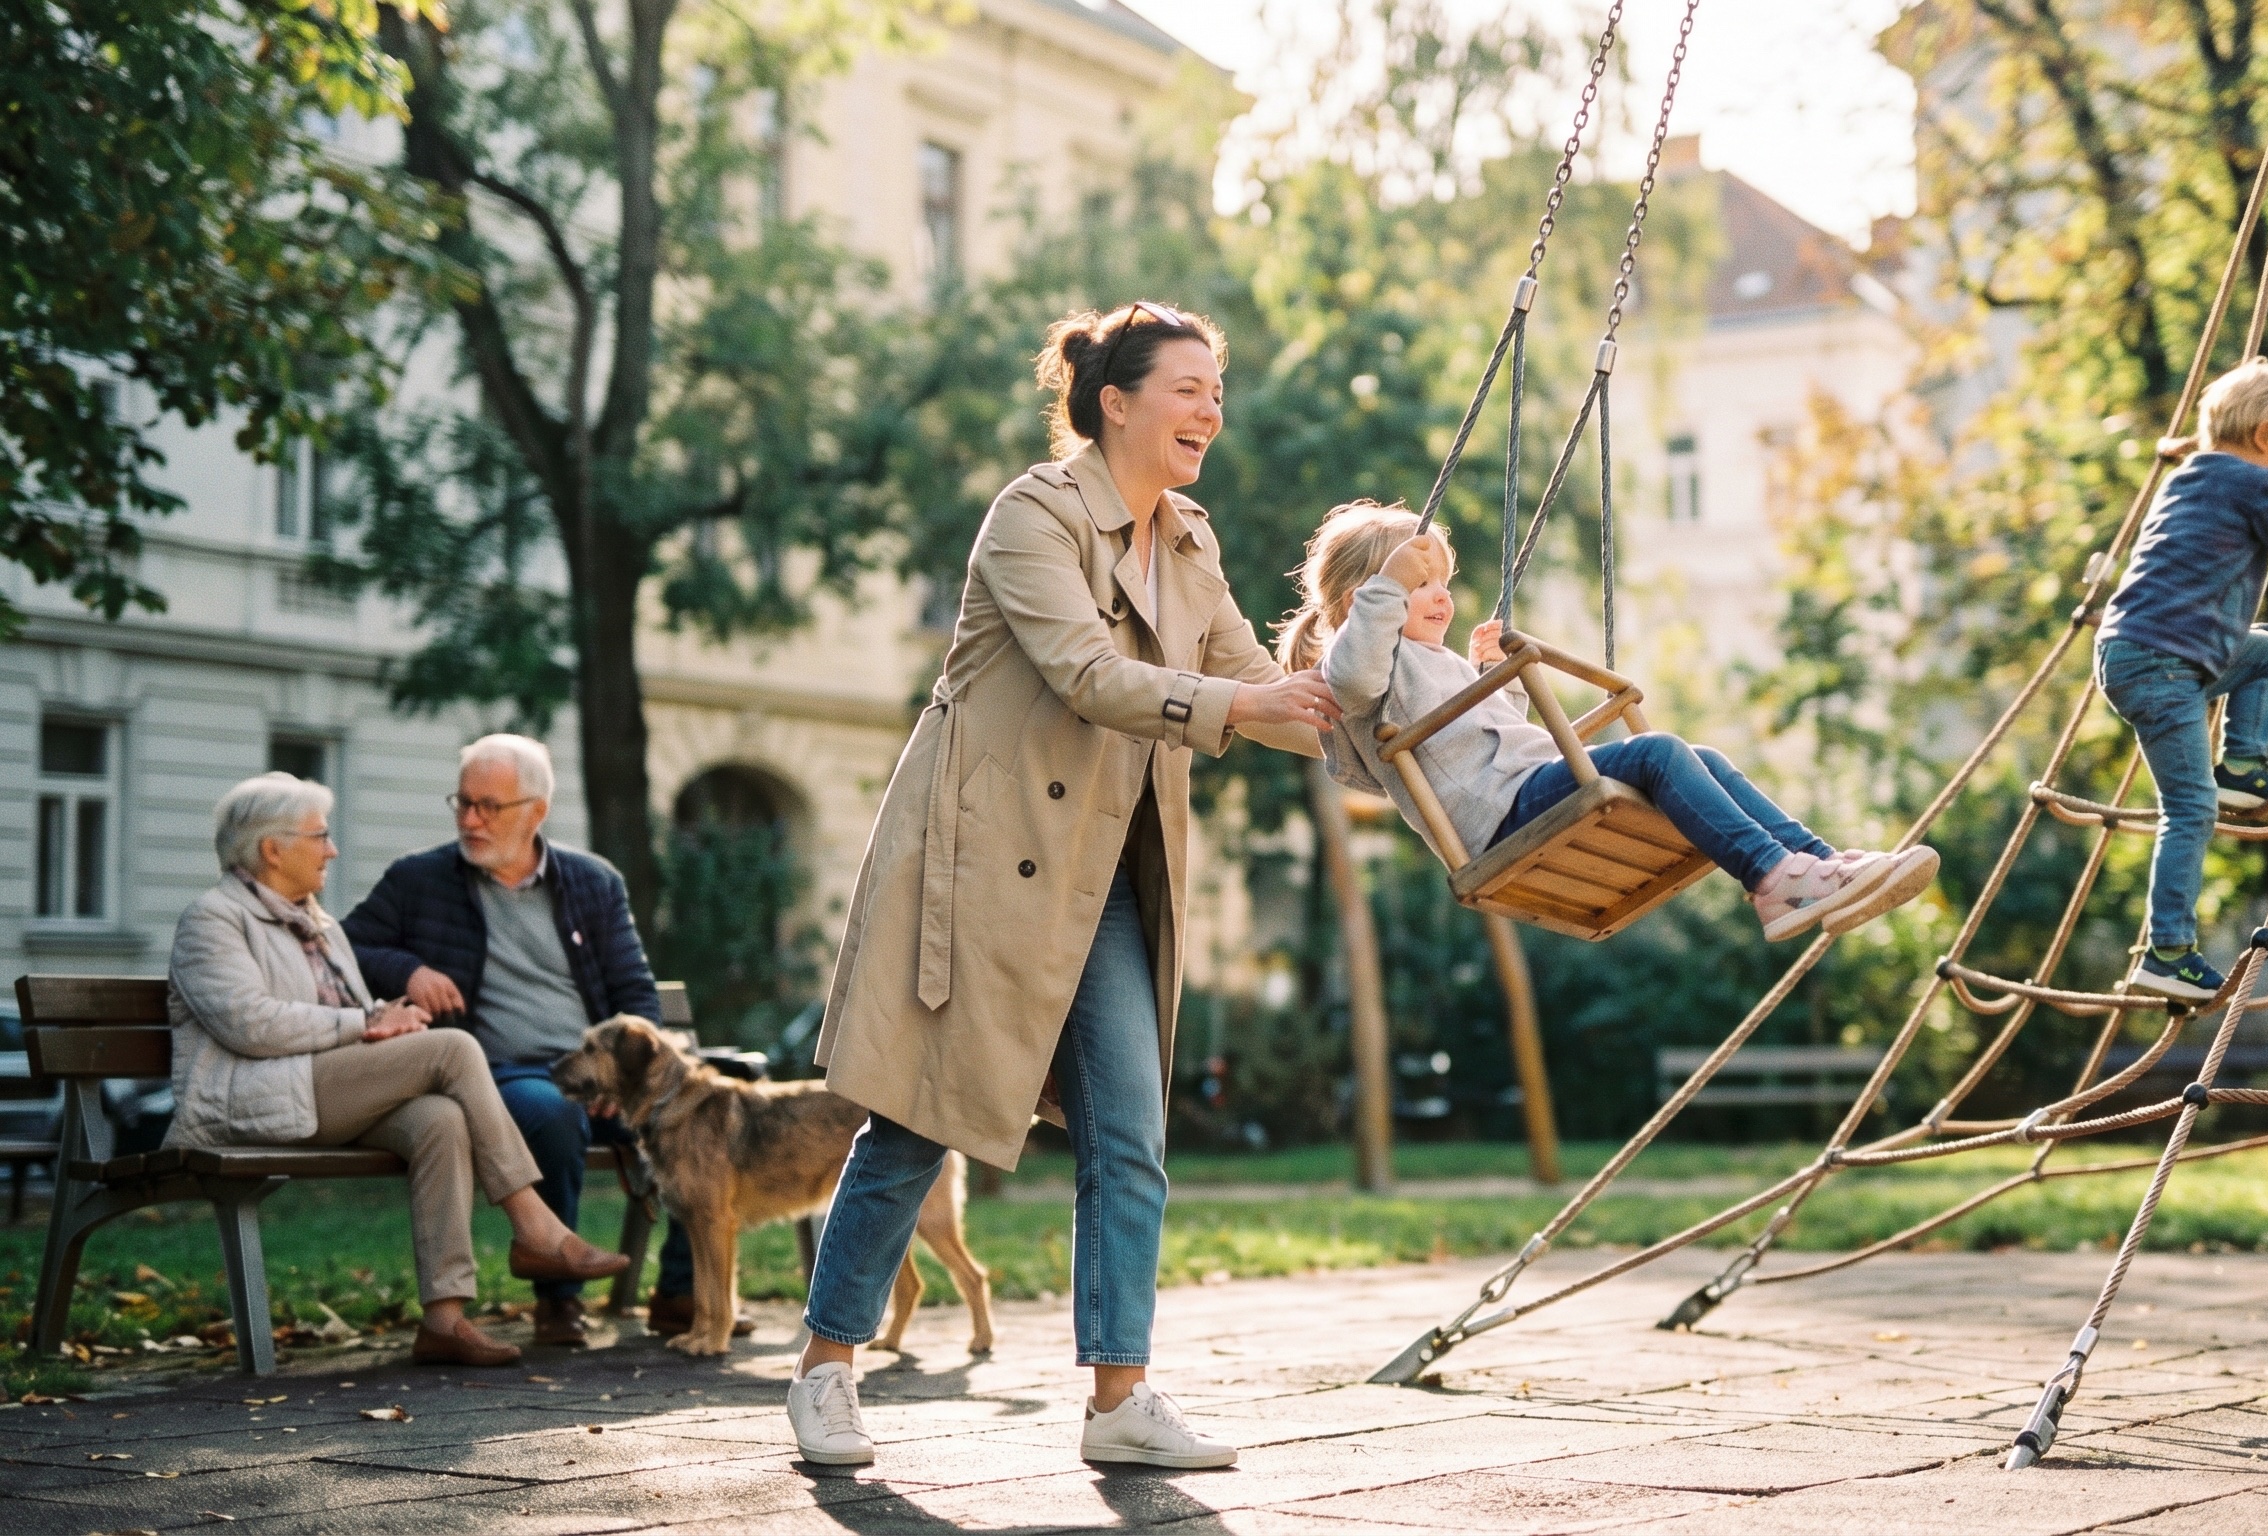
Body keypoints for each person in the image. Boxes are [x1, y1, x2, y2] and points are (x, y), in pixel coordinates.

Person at [789, 301, 1336, 1470]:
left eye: (1215, 389)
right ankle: (827, 1369)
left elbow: (1255, 676)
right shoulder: (1033, 516)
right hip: (984, 864)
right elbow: (1090, 676)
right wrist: (1246, 709)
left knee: (1129, 1138)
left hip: (1112, 874)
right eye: (1186, 387)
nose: (1210, 409)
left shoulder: (1188, 538)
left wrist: (1397, 686)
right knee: (914, 1115)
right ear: (1115, 401)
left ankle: (1119, 1400)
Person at [1286, 502, 1939, 942]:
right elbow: (1352, 675)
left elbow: (1488, 740)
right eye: (1417, 584)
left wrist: (1492, 681)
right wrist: (1386, 596)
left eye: (1441, 582)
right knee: (1654, 754)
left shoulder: (1434, 664)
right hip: (1501, 817)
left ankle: (1822, 867)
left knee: (1701, 759)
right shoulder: (1370, 668)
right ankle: (1773, 880)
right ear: (1364, 600)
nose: (1440, 596)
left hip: (1521, 787)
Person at [167, 773, 628, 1367]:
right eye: (320, 836)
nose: (331, 849)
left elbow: (346, 1013)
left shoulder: (319, 923)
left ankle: (444, 1318)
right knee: (454, 1049)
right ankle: (536, 1229)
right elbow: (248, 1024)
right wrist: (366, 1024)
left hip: (321, 1090)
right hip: (250, 1099)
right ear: (271, 849)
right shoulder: (213, 919)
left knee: (440, 1118)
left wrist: (386, 1014)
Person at [341, 734, 688, 1346]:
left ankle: (684, 1295)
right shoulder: (420, 880)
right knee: (549, 1113)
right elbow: (347, 948)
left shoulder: (592, 883)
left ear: (536, 811)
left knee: (698, 1113)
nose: (470, 820)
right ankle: (559, 1301)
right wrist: (409, 972)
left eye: (488, 806)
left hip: (601, 1071)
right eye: (463, 803)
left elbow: (635, 990)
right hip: (501, 1070)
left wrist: (625, 1080)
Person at [2094, 359, 2268, 1001]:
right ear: (2267, 435)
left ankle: (2242, 765)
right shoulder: (2253, 483)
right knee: (2189, 811)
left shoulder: (2192, 475)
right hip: (2164, 663)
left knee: (2263, 652)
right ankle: (2168, 952)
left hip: (2141, 654)